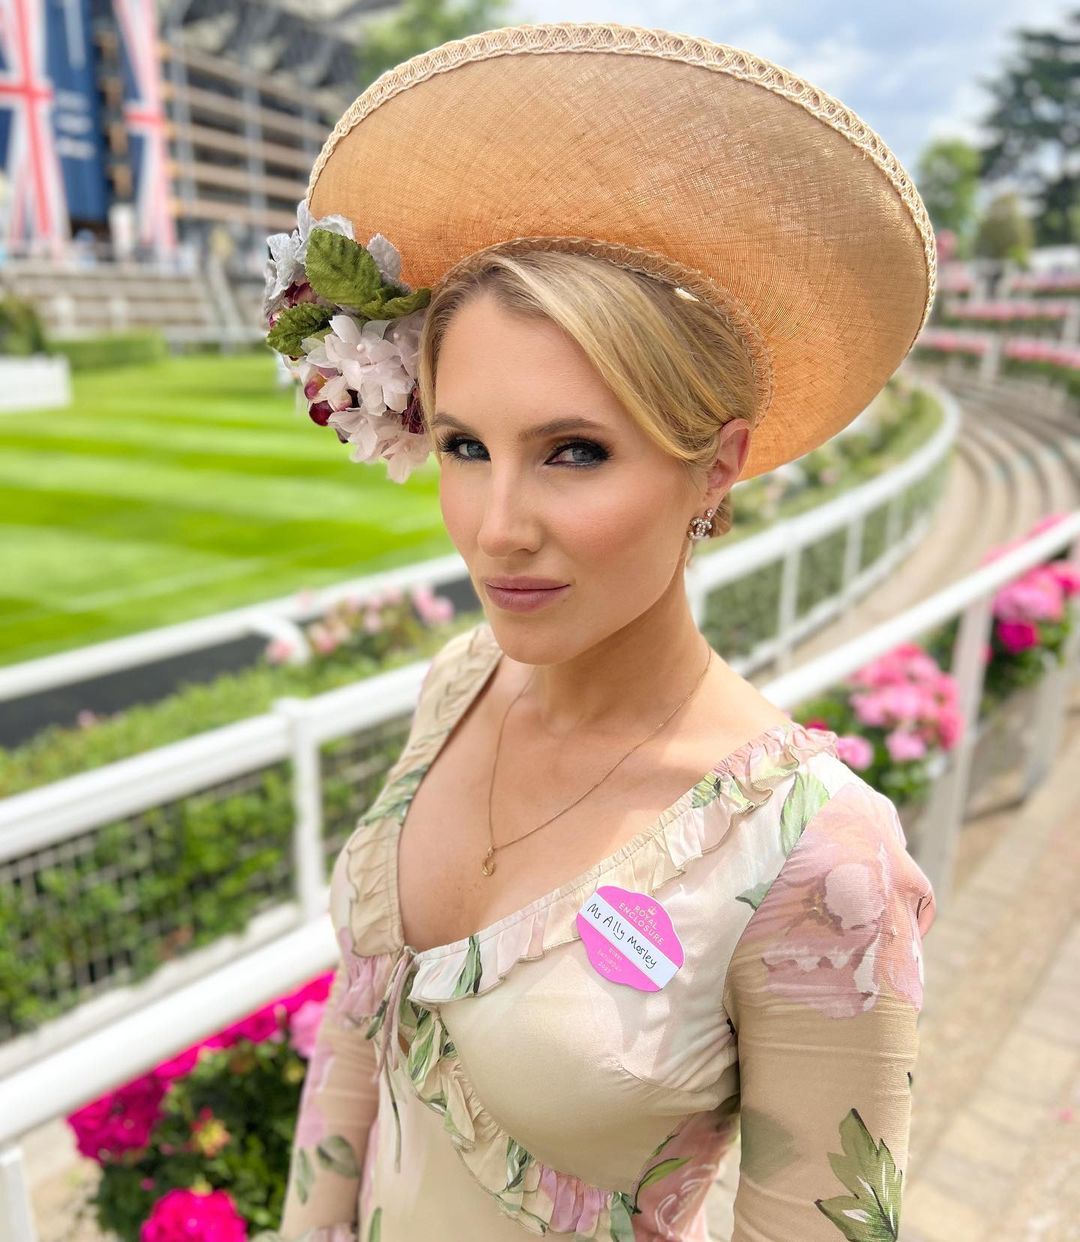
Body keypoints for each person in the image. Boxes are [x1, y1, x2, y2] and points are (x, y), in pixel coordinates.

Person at [255, 20, 938, 1241]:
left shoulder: (819, 858)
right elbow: (357, 1039)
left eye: (574, 451)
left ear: (715, 466)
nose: (496, 527)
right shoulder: (460, 685)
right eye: (465, 445)